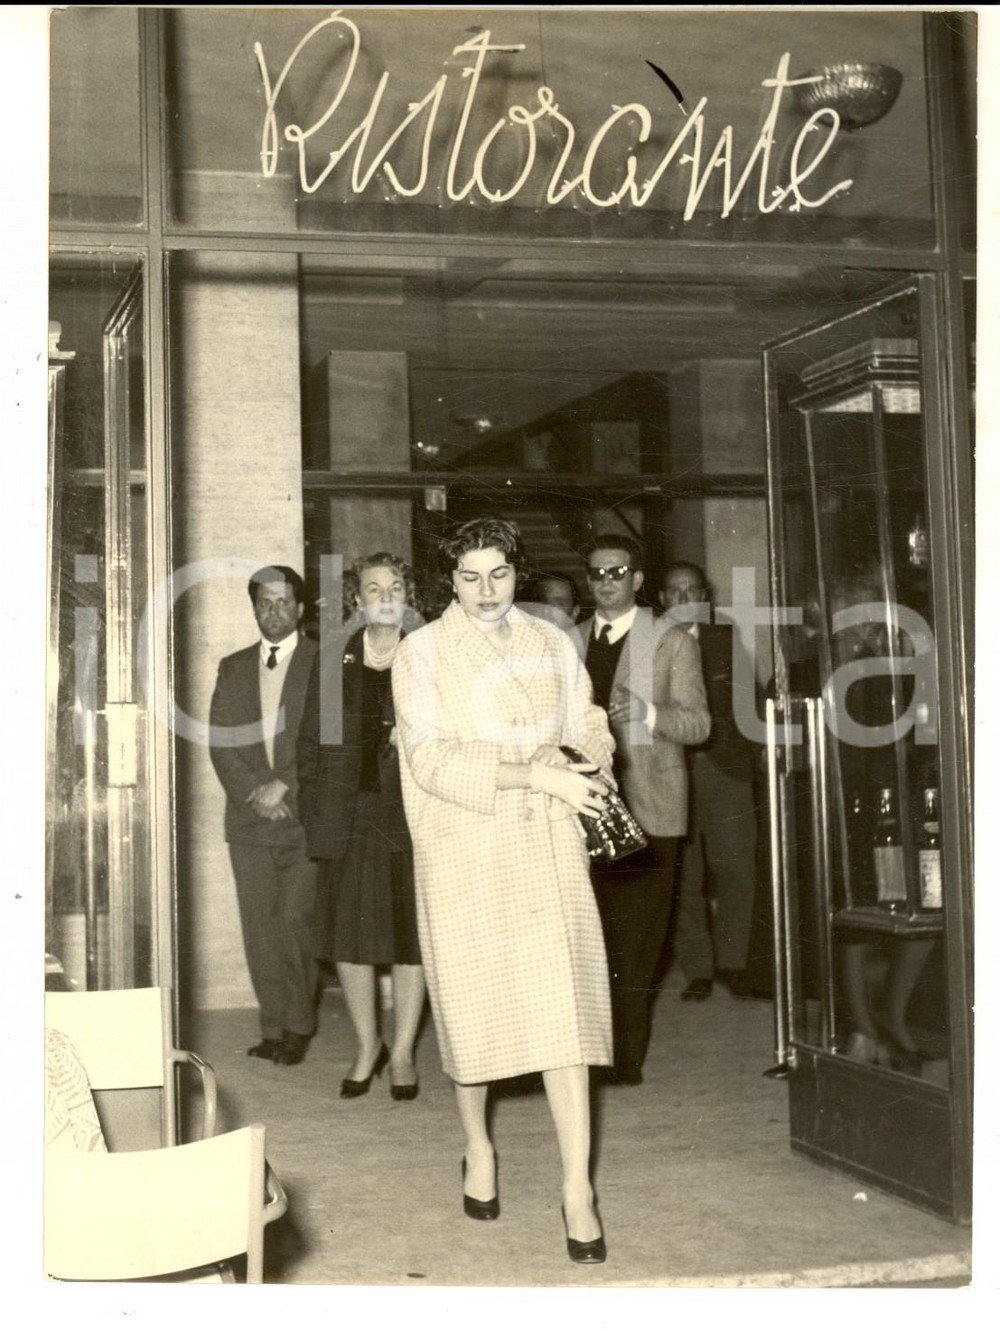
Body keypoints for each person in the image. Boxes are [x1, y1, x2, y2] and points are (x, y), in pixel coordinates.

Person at [391, 517, 615, 1264]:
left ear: (519, 573)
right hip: (465, 847)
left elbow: (587, 715)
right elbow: (428, 759)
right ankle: (478, 1147)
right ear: (447, 581)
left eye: (499, 575)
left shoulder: (553, 638)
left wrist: (588, 758)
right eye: (469, 577)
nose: (486, 592)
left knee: (567, 1017)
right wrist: (530, 771)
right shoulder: (420, 652)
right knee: (474, 1011)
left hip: (548, 842)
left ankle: (577, 1191)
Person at [578, 535, 711, 1084]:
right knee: (592, 936)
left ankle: (623, 1058)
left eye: (617, 571)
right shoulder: (567, 638)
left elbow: (700, 724)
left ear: (636, 580)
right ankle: (588, 1050)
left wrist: (649, 714)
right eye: (596, 573)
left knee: (638, 940)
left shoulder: (672, 640)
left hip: (650, 806)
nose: (606, 581)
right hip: (584, 806)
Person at [297, 553, 426, 1101]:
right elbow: (309, 747)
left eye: (395, 586)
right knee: (350, 939)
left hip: (413, 815)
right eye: (374, 589)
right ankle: (366, 1045)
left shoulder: (431, 656)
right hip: (350, 817)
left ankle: (401, 1054)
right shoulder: (334, 661)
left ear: (408, 595)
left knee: (409, 939)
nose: (385, 596)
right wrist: (318, 813)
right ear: (357, 601)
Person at [209, 565, 319, 1066]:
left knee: (297, 923)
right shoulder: (232, 668)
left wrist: (286, 787)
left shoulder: (324, 662)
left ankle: (297, 1025)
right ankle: (272, 1025)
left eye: (283, 602)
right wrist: (255, 791)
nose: (273, 612)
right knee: (260, 926)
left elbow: (330, 743)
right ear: (254, 609)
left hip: (304, 819)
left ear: (300, 608)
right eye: (264, 603)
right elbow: (221, 743)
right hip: (250, 820)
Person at [661, 562, 760, 1002]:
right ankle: (698, 967)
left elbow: (750, 700)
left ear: (706, 597)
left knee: (737, 866)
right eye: (675, 592)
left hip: (724, 768)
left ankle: (734, 964)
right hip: (670, 769)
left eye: (692, 591)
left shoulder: (725, 639)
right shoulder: (649, 644)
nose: (684, 599)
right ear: (663, 599)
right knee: (684, 873)